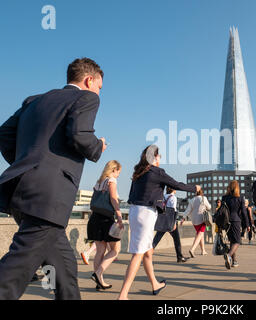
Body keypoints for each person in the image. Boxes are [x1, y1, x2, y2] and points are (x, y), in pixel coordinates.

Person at [0, 58, 106, 300]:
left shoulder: (33, 100)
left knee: (65, 268)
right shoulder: (87, 98)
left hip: (20, 190)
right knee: (15, 269)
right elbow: (80, 135)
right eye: (99, 86)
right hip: (48, 196)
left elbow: (4, 134)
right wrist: (98, 146)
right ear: (89, 80)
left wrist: (24, 164)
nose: (99, 91)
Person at [118, 145, 199, 300]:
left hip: (134, 211)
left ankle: (155, 284)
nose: (160, 158)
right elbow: (177, 185)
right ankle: (123, 295)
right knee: (138, 254)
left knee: (147, 252)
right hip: (146, 214)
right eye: (159, 156)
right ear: (154, 157)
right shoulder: (157, 172)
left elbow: (131, 194)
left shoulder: (139, 172)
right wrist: (194, 188)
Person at [87, 160, 123, 291]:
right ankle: (98, 273)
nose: (119, 174)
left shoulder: (98, 182)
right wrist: (119, 217)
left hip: (94, 218)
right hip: (106, 219)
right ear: (114, 169)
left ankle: (99, 282)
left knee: (100, 252)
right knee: (115, 250)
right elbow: (113, 199)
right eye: (119, 171)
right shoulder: (111, 180)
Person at [153, 188, 190, 263]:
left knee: (156, 239)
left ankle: (146, 254)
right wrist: (174, 223)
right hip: (170, 220)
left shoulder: (163, 196)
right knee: (177, 240)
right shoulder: (173, 197)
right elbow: (173, 210)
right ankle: (179, 257)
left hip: (163, 220)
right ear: (173, 190)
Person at [221, 181, 250, 269]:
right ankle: (229, 255)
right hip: (236, 221)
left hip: (226, 222)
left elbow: (222, 211)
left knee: (232, 241)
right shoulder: (240, 198)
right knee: (237, 241)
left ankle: (234, 261)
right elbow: (244, 213)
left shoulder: (224, 197)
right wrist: (247, 224)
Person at [183, 188, 211, 257]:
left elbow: (188, 210)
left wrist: (183, 217)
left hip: (194, 221)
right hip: (202, 219)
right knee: (200, 233)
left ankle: (203, 250)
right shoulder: (203, 198)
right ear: (201, 192)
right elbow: (209, 207)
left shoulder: (192, 200)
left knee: (200, 234)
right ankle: (192, 249)